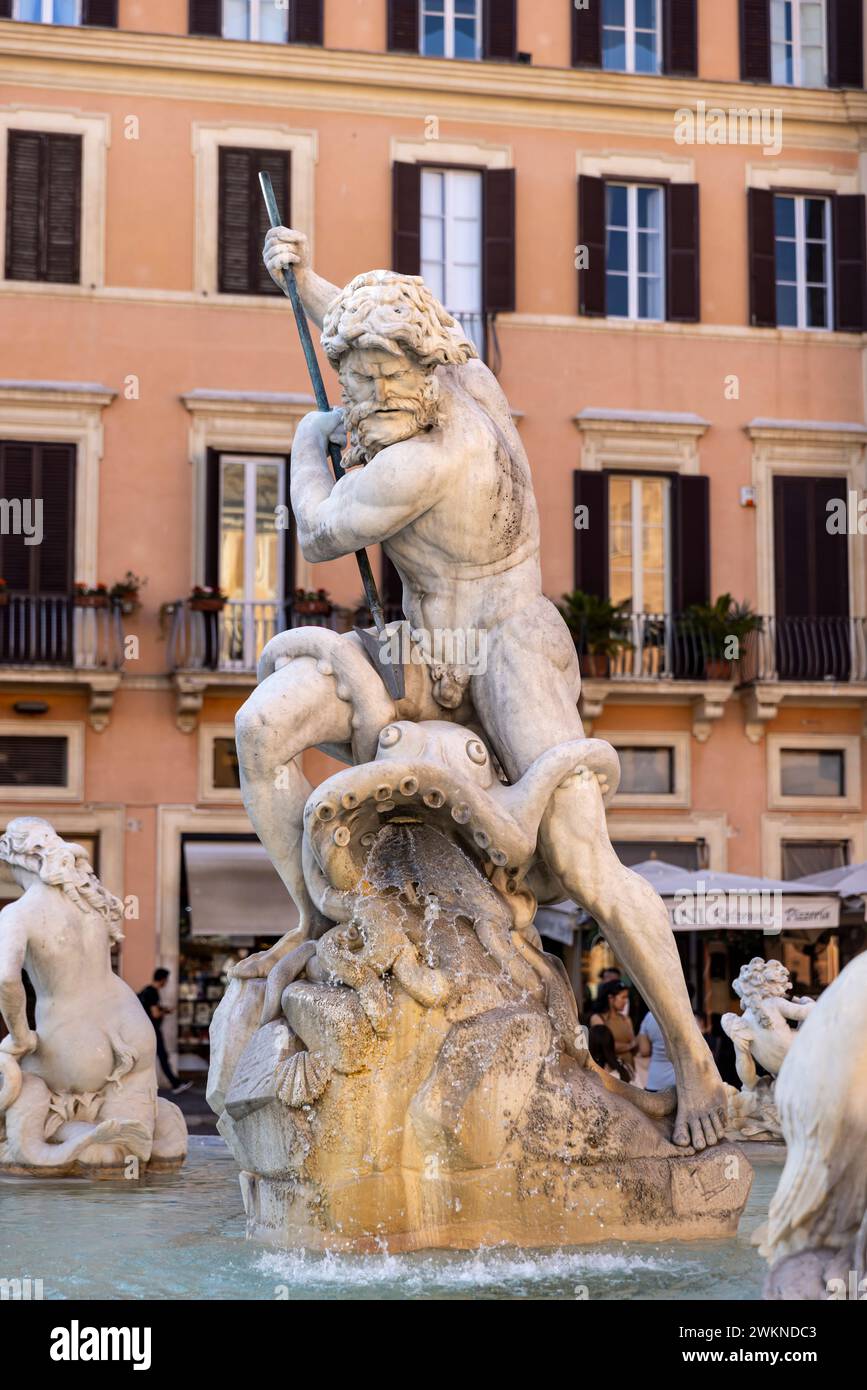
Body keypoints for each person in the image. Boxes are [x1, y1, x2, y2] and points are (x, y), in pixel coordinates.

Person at [231, 226, 727, 1150]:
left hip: (505, 645)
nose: (366, 400)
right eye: (353, 382)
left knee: (583, 860)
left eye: (384, 381)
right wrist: (304, 281)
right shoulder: (462, 371)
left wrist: (308, 436)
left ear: (428, 372)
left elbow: (321, 531)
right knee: (262, 728)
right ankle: (310, 917)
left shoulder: (427, 458)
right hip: (420, 647)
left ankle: (696, 1064)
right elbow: (369, 326)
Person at [137, 969, 191, 1096]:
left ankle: (174, 1083)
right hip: (153, 1030)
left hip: (145, 1030)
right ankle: (175, 1084)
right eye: (166, 979)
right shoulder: (153, 992)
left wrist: (163, 1009)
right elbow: (155, 1014)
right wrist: (166, 1012)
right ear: (162, 979)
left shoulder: (146, 990)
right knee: (162, 1057)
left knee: (153, 1058)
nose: (166, 982)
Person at [589, 980, 638, 1079]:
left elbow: (635, 1045)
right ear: (611, 998)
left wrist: (623, 1046)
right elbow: (604, 1045)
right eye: (623, 997)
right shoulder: (597, 1018)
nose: (626, 1001)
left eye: (627, 997)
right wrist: (629, 1046)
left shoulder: (626, 1019)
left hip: (629, 1070)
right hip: (611, 1073)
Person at [637, 1010, 677, 1092]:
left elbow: (644, 1051)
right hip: (677, 1081)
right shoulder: (683, 1015)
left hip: (655, 1081)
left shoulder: (649, 1016)